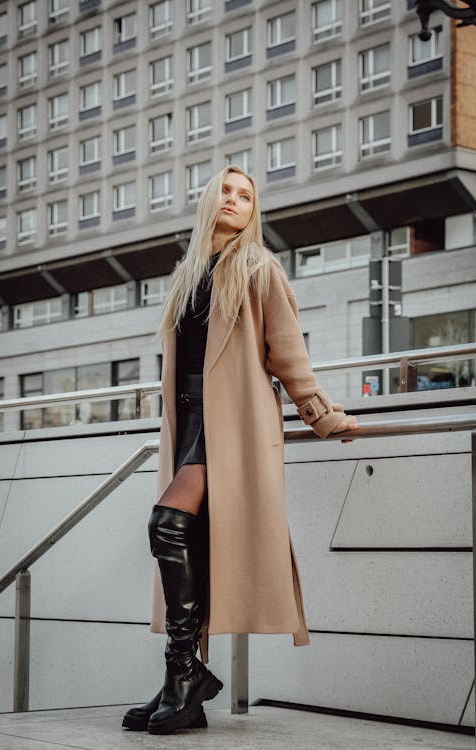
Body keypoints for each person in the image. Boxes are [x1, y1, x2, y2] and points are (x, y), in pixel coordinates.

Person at [122, 166, 358, 735]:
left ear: (254, 212)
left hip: (230, 427)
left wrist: (320, 414)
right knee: (191, 543)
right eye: (225, 192)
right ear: (209, 202)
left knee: (167, 524)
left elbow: (288, 353)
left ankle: (186, 676)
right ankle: (184, 684)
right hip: (189, 426)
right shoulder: (189, 274)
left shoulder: (259, 268)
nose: (234, 201)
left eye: (245, 196)